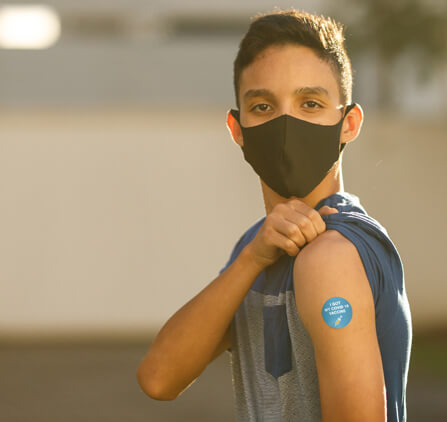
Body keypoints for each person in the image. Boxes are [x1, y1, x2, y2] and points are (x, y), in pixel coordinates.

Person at [137, 9, 411, 422]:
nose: (286, 123)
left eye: (311, 103)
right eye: (264, 106)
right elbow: (159, 378)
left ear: (348, 123)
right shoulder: (258, 249)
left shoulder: (331, 257)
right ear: (237, 130)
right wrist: (250, 259)